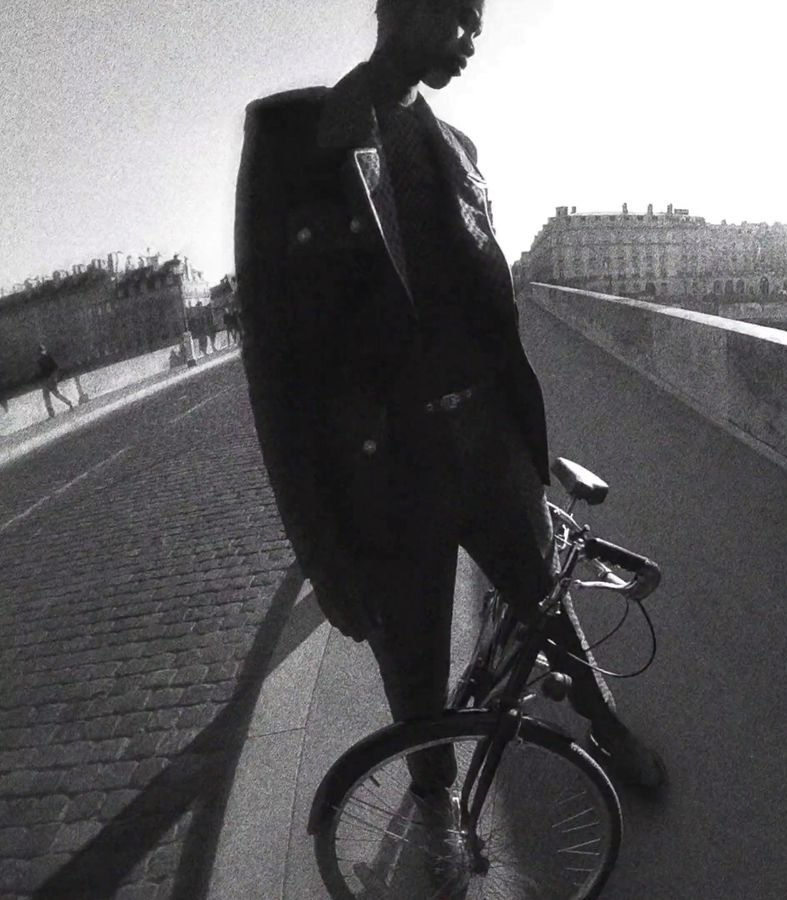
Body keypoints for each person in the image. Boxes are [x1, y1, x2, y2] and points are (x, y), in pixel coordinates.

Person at [234, 0, 664, 792]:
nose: (470, 42)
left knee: (550, 612)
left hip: (488, 445)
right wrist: (322, 556)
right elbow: (273, 373)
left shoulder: (460, 152)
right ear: (400, 9)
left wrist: (518, 445)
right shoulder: (293, 145)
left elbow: (488, 315)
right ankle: (434, 813)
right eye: (460, 18)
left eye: (478, 26)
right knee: (417, 684)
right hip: (390, 476)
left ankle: (607, 727)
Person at [36, 344, 75, 417]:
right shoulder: (48, 358)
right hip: (50, 379)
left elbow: (44, 371)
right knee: (55, 394)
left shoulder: (42, 360)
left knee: (47, 395)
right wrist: (55, 378)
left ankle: (51, 411)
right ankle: (68, 403)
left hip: (47, 380)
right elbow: (55, 368)